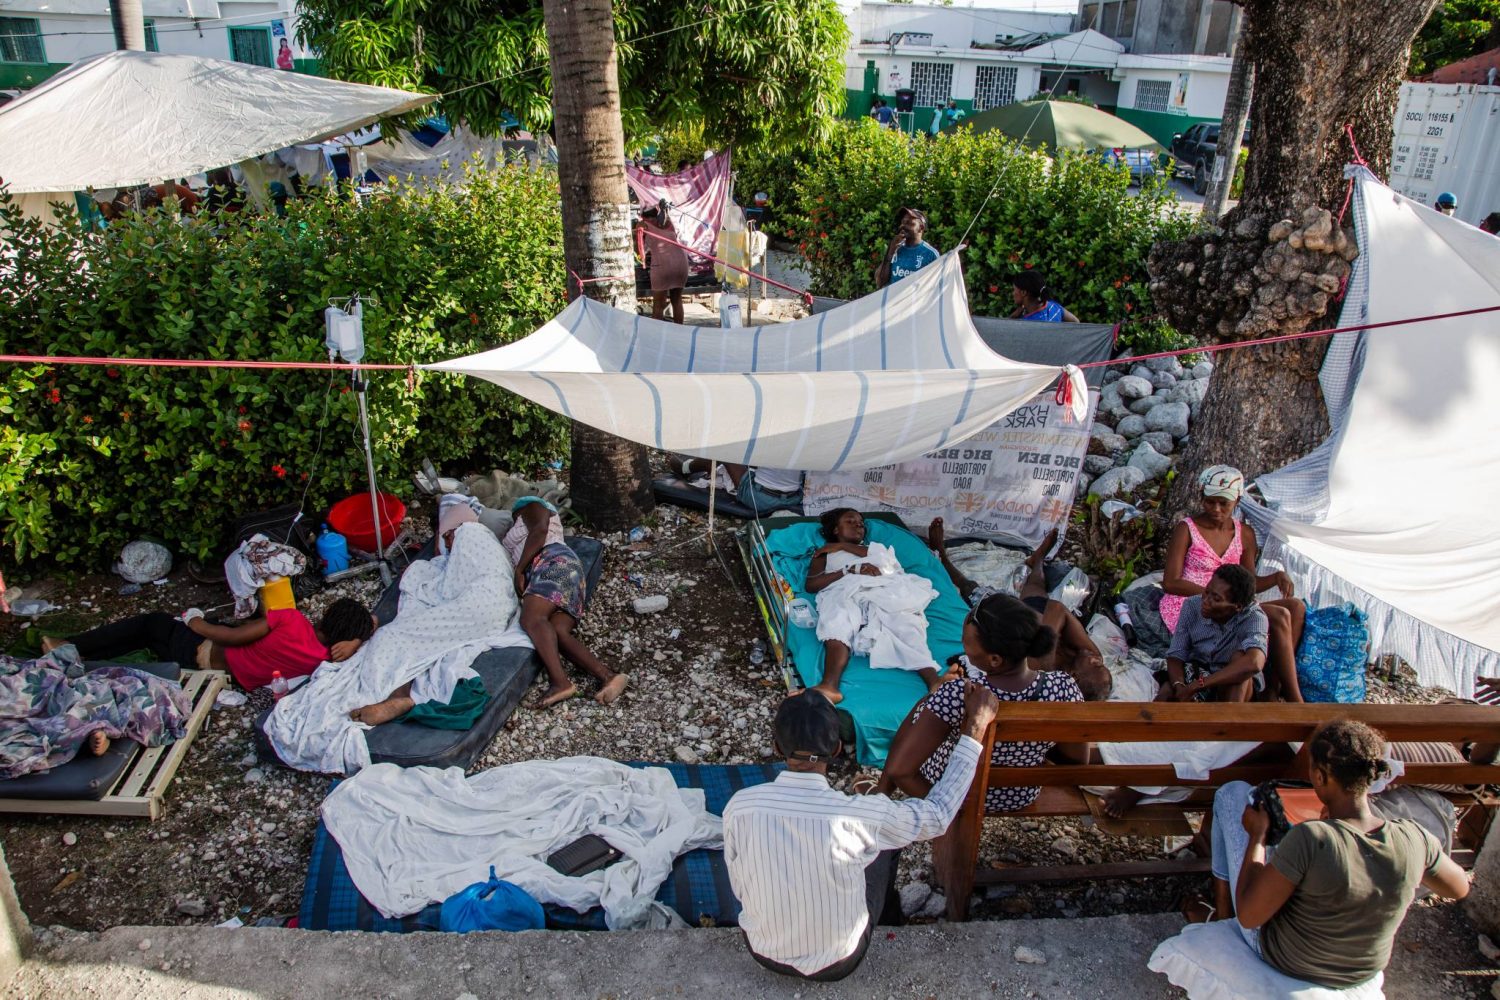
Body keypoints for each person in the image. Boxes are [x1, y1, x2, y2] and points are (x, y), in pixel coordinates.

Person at [723, 685, 998, 982]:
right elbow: (938, 815)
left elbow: (740, 888)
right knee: (888, 840)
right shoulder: (861, 816)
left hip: (763, 951)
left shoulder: (740, 806)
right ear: (837, 749)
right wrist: (974, 728)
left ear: (777, 748)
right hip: (839, 961)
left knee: (880, 831)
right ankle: (890, 918)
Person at [1206, 720, 1469, 989]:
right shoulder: (1414, 837)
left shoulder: (1312, 838)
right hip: (1363, 969)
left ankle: (1222, 917)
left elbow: (1250, 917)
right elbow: (1459, 888)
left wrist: (1257, 836)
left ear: (1319, 777)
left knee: (1232, 793)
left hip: (1289, 959)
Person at [878, 592, 1087, 813]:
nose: (963, 648)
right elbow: (1076, 760)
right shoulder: (1063, 689)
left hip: (956, 794)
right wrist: (1027, 749)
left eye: (966, 643)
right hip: (1019, 794)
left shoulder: (960, 694)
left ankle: (881, 793)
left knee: (925, 703)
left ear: (994, 659)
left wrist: (948, 809)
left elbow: (901, 772)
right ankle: (880, 794)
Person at [1160, 464, 1304, 701]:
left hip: (1229, 601)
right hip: (1196, 602)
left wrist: (1277, 577)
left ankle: (1275, 685)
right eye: (1210, 501)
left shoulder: (1244, 533)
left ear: (1237, 500)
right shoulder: (1187, 529)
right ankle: (1291, 696)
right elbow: (1170, 582)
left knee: (1295, 607)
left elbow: (1248, 584)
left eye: (1223, 503)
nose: (1216, 509)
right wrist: (1211, 595)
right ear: (1202, 497)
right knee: (1278, 617)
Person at [929, 519, 1110, 700]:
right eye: (1101, 664)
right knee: (1036, 585)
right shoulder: (1086, 655)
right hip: (1033, 612)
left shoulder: (1040, 673)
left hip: (1011, 620)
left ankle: (943, 558)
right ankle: (1037, 560)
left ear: (1074, 677)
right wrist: (1045, 643)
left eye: (1096, 666)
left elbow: (1055, 617)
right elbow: (1057, 608)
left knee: (970, 589)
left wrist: (1049, 637)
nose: (1097, 660)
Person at [45, 597, 374, 692]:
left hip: (200, 652)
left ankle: (69, 647)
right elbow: (373, 624)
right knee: (148, 637)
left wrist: (193, 621)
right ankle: (77, 658)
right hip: (225, 677)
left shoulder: (292, 620)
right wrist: (356, 641)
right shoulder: (324, 660)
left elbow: (228, 637)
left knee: (151, 624)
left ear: (327, 615)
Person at [804, 508, 947, 703]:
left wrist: (842, 547)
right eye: (850, 521)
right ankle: (830, 685)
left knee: (902, 621)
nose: (858, 526)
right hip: (844, 591)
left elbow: (889, 566)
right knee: (837, 619)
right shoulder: (825, 553)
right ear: (836, 530)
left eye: (861, 524)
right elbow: (812, 585)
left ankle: (933, 680)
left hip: (881, 589)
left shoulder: (875, 548)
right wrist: (848, 570)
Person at [504, 497, 628, 708]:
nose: (514, 517)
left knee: (532, 619)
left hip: (553, 562)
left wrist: (519, 569)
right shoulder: (520, 524)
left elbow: (541, 529)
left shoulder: (532, 507)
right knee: (556, 630)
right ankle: (608, 676)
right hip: (563, 568)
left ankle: (560, 682)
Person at [669, 455, 803, 515]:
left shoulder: (769, 435)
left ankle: (685, 468)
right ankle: (704, 464)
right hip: (794, 498)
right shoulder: (804, 438)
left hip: (760, 499)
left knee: (726, 452)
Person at [636, 199, 689, 324]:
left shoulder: (642, 225)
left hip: (662, 265)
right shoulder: (668, 222)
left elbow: (639, 248)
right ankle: (679, 333)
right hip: (681, 263)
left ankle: (657, 337)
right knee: (676, 300)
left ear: (643, 215)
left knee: (659, 304)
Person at [874, 208, 940, 288]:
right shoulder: (895, 248)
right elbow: (879, 282)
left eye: (909, 223)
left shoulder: (930, 254)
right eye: (903, 222)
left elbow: (936, 286)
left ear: (921, 228)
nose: (903, 226)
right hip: (895, 300)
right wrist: (890, 252)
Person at [1010, 271, 1080, 322]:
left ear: (1023, 292)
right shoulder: (1053, 306)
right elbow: (1076, 321)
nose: (1012, 293)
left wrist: (1011, 319)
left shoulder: (1028, 323)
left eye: (1014, 290)